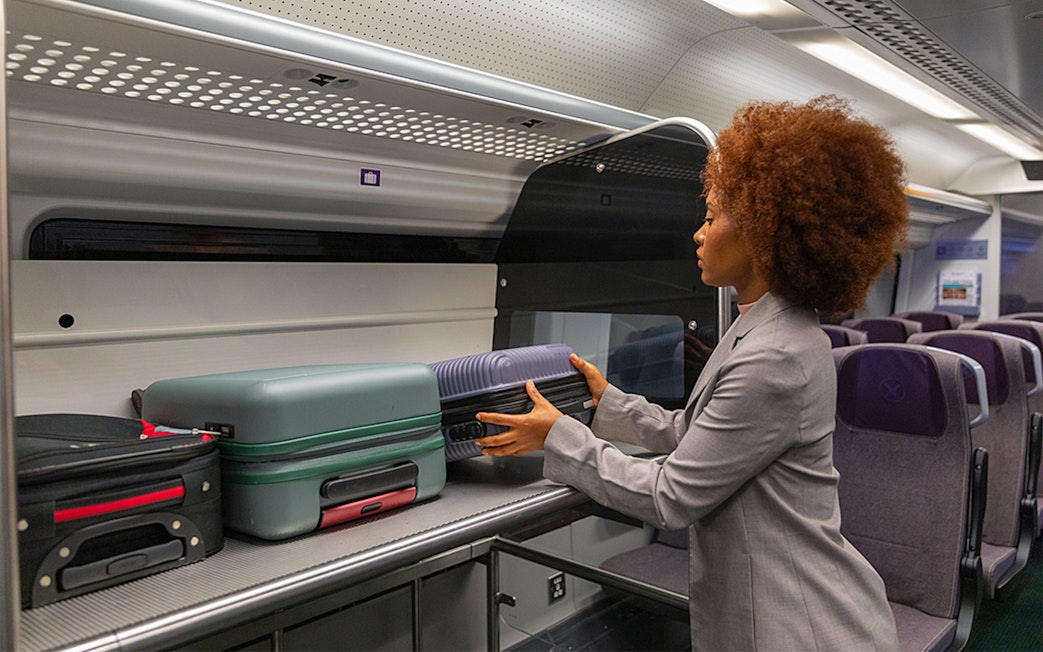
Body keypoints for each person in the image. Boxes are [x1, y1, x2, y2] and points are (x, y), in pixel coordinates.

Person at [475, 95, 908, 651]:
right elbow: (696, 434)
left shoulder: (776, 355)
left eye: (710, 217)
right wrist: (610, 404)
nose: (698, 234)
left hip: (799, 623)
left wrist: (559, 435)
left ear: (763, 230)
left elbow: (670, 495)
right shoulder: (763, 327)